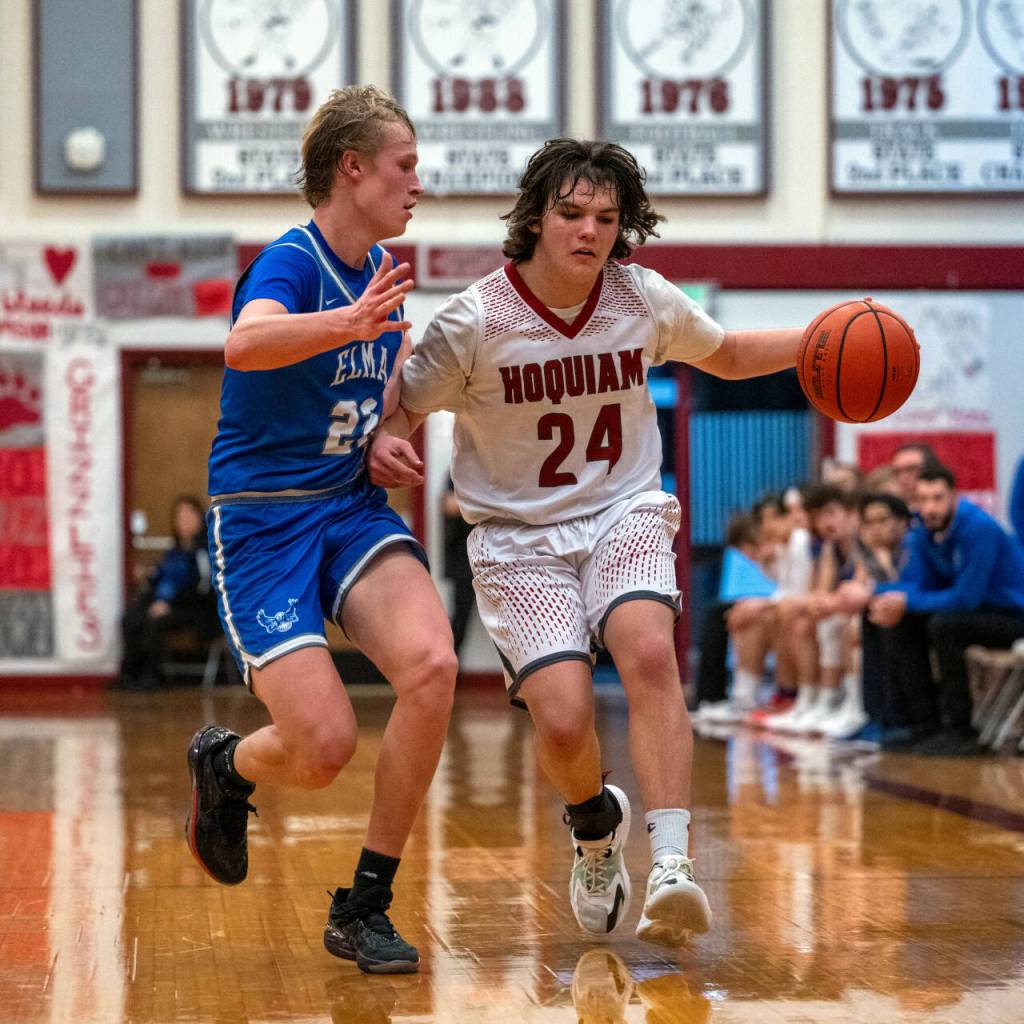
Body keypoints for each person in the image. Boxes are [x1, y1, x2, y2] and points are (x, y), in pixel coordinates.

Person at [369, 139, 806, 946]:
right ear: (535, 216)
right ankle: (596, 831)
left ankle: (672, 862)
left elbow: (733, 354)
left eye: (606, 217)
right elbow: (404, 410)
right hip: (516, 538)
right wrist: (388, 443)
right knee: (565, 721)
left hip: (624, 509)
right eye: (571, 213)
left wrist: (819, 338)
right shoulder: (473, 319)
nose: (589, 230)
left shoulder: (642, 298)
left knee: (648, 650)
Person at [184, 85, 458, 975]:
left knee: (433, 667)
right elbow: (246, 344)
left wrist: (386, 437)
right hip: (262, 524)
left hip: (346, 509)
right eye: (404, 165)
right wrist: (343, 321)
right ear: (353, 168)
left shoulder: (381, 274)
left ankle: (366, 903)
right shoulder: (291, 263)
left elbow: (377, 395)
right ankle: (228, 768)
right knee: (323, 748)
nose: (418, 183)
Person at [864, 464, 1024, 755]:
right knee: (898, 618)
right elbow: (917, 585)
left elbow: (967, 599)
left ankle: (960, 728)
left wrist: (905, 601)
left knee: (944, 625)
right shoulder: (924, 531)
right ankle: (920, 724)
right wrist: (876, 594)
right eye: (923, 500)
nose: (929, 508)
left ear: (954, 496)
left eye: (937, 498)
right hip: (977, 613)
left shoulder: (979, 528)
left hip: (1014, 615)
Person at [116, 494, 217, 690]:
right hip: (167, 605)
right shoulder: (174, 552)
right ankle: (129, 674)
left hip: (196, 610)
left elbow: (204, 588)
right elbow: (161, 578)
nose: (184, 521)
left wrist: (170, 604)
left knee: (156, 621)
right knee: (132, 617)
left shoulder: (205, 551)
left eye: (189, 515)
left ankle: (153, 676)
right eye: (180, 516)